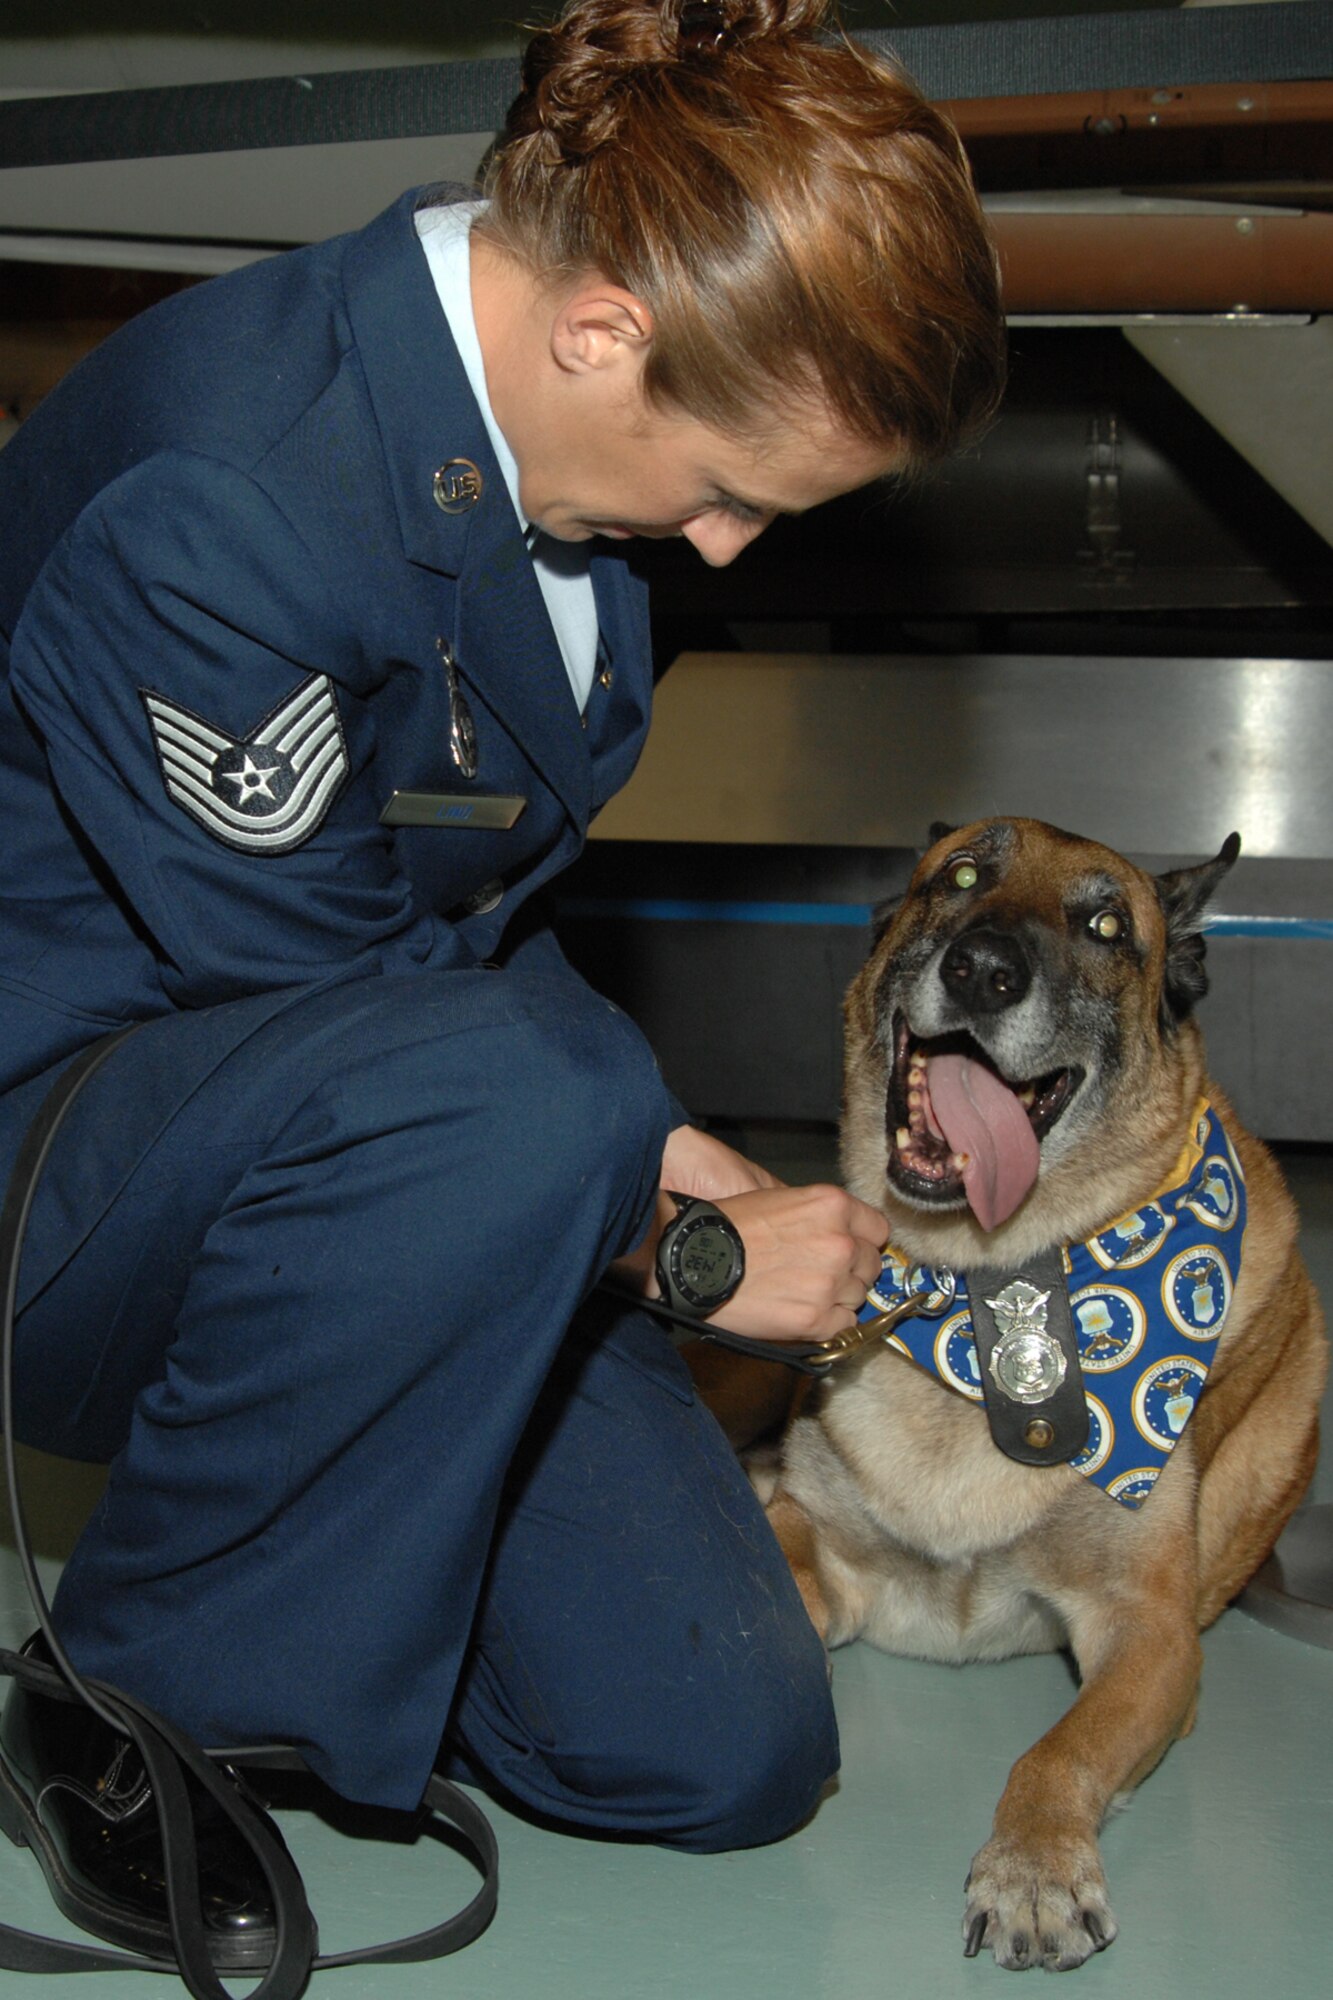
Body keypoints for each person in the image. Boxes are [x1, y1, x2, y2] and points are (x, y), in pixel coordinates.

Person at [0, 0, 1004, 1966]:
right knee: (533, 1096)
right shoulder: (237, 490)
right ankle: (123, 1701)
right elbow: (338, 998)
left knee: (718, 1746)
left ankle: (338, 1561)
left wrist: (658, 1161)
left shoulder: (544, 468)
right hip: (67, 1168)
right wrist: (672, 1227)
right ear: (605, 328)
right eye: (731, 484)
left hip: (384, 1135)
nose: (721, 542)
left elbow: (429, 931)